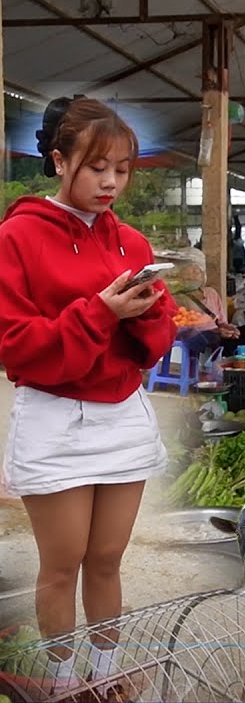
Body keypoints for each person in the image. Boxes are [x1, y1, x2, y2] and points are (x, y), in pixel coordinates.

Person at [0, 96, 178, 697]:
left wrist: (146, 314)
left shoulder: (132, 244)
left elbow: (155, 344)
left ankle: (105, 675)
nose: (110, 183)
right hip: (55, 418)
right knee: (62, 564)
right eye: (96, 167)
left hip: (121, 414)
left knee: (106, 558)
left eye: (122, 169)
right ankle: (62, 683)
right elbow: (17, 346)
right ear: (59, 160)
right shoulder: (17, 236)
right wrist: (100, 313)